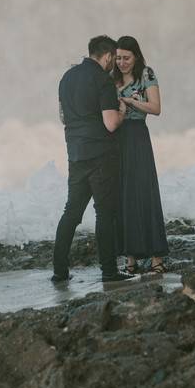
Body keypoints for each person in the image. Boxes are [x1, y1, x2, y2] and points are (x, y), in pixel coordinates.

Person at [53, 35, 135, 283]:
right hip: (101, 156)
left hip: (76, 154)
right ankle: (109, 272)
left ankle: (59, 271)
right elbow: (110, 124)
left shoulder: (66, 78)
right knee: (104, 213)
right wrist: (122, 112)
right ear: (108, 56)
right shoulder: (103, 81)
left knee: (71, 213)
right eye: (114, 59)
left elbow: (63, 117)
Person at [112, 35, 169, 274]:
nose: (122, 62)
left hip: (137, 137)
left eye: (126, 58)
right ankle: (130, 258)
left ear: (136, 56)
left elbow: (156, 109)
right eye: (118, 58)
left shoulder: (146, 74)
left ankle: (156, 258)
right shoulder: (111, 78)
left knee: (145, 192)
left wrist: (130, 103)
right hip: (116, 138)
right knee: (123, 196)